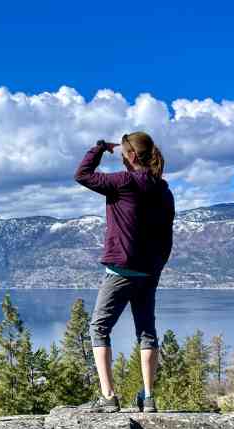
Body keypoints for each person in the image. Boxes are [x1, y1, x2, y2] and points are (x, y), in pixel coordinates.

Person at [73, 132, 175, 413]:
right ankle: (149, 397)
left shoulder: (123, 182)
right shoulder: (163, 189)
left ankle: (108, 396)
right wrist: (157, 266)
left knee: (99, 328)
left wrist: (99, 148)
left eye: (122, 154)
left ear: (130, 156)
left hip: (120, 270)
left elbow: (82, 174)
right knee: (146, 331)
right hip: (149, 272)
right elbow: (167, 234)